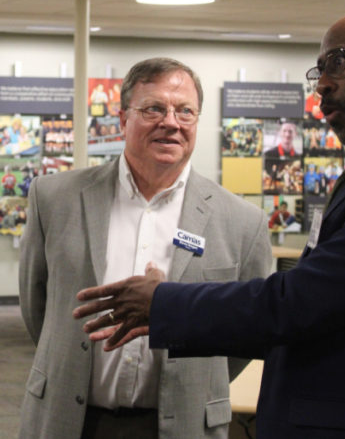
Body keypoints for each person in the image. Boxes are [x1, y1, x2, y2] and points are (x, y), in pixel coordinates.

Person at [73, 8, 345, 437]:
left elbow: (302, 303)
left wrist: (163, 303)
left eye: (339, 62)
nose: (322, 84)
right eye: (319, 69)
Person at [19, 57, 272, 439]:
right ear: (123, 120)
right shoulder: (54, 198)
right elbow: (37, 307)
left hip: (182, 425)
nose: (171, 122)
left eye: (185, 111)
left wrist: (196, 380)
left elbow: (248, 332)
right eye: (154, 108)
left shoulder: (242, 222)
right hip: (69, 421)